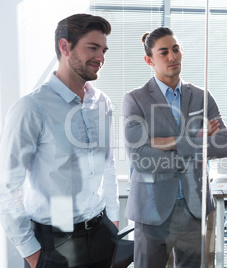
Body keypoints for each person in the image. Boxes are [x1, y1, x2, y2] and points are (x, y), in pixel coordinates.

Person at [0, 14, 120, 267]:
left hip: (101, 235)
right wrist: (32, 254)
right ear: (65, 47)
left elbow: (107, 164)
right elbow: (8, 187)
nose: (101, 58)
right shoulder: (31, 108)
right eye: (93, 48)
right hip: (53, 242)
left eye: (104, 50)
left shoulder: (103, 103)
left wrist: (113, 220)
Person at [122, 27, 227, 267]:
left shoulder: (202, 96)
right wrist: (197, 140)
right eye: (164, 52)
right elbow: (140, 157)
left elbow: (224, 145)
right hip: (152, 210)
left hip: (195, 207)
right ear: (149, 60)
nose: (172, 56)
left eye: (175, 49)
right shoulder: (135, 99)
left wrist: (168, 143)